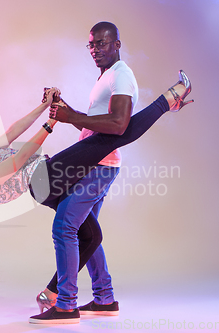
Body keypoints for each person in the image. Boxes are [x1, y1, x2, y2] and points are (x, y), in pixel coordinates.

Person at [0, 71, 193, 324]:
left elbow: (10, 134)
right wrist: (52, 122)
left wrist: (44, 106)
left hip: (45, 178)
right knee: (111, 137)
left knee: (91, 235)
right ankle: (169, 99)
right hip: (44, 179)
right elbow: (17, 161)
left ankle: (84, 297)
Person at [34, 21, 137, 321]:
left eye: (102, 43)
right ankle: (105, 298)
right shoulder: (105, 77)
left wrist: (71, 117)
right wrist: (61, 107)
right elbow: (90, 124)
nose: (95, 49)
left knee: (65, 226)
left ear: (117, 44)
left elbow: (119, 125)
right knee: (84, 230)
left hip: (100, 165)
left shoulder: (122, 75)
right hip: (92, 162)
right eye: (91, 44)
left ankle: (66, 303)